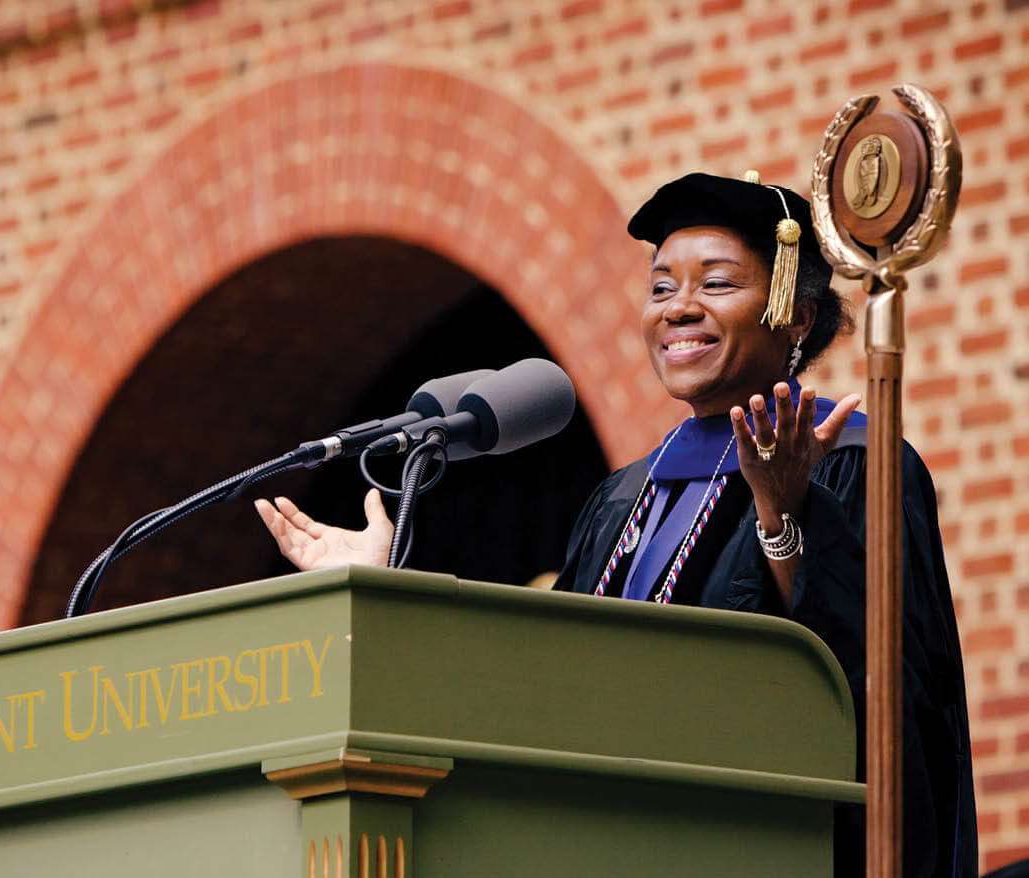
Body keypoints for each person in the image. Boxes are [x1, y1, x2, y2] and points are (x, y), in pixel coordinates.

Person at [254, 171, 977, 878]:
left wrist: (784, 512)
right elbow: (547, 684)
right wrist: (387, 590)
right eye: (661, 287)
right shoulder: (623, 499)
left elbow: (878, 703)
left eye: (716, 283)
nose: (679, 308)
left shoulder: (853, 463)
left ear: (795, 314)